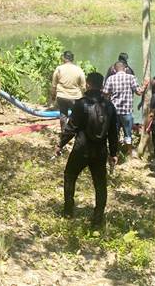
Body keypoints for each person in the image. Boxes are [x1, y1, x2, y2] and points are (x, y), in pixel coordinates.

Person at [56, 72, 119, 227]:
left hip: (81, 148)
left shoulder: (81, 104)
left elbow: (71, 127)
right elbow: (113, 132)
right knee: (100, 183)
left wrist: (60, 144)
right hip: (100, 151)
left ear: (89, 84)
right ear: (102, 85)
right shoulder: (109, 106)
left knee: (70, 176)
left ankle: (68, 210)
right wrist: (114, 153)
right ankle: (98, 217)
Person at [103, 61, 148, 151]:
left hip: (114, 112)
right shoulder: (131, 78)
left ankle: (114, 153)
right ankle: (129, 153)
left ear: (115, 70)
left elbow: (105, 93)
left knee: (114, 134)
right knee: (128, 134)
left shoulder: (110, 79)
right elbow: (139, 92)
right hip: (127, 112)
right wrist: (144, 85)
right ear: (125, 69)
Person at [50, 51, 86, 119]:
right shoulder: (79, 70)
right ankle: (74, 129)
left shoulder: (59, 69)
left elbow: (54, 85)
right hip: (75, 97)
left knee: (63, 115)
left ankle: (63, 129)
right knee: (76, 117)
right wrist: (84, 97)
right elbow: (83, 87)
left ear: (64, 58)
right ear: (72, 59)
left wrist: (53, 96)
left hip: (61, 96)